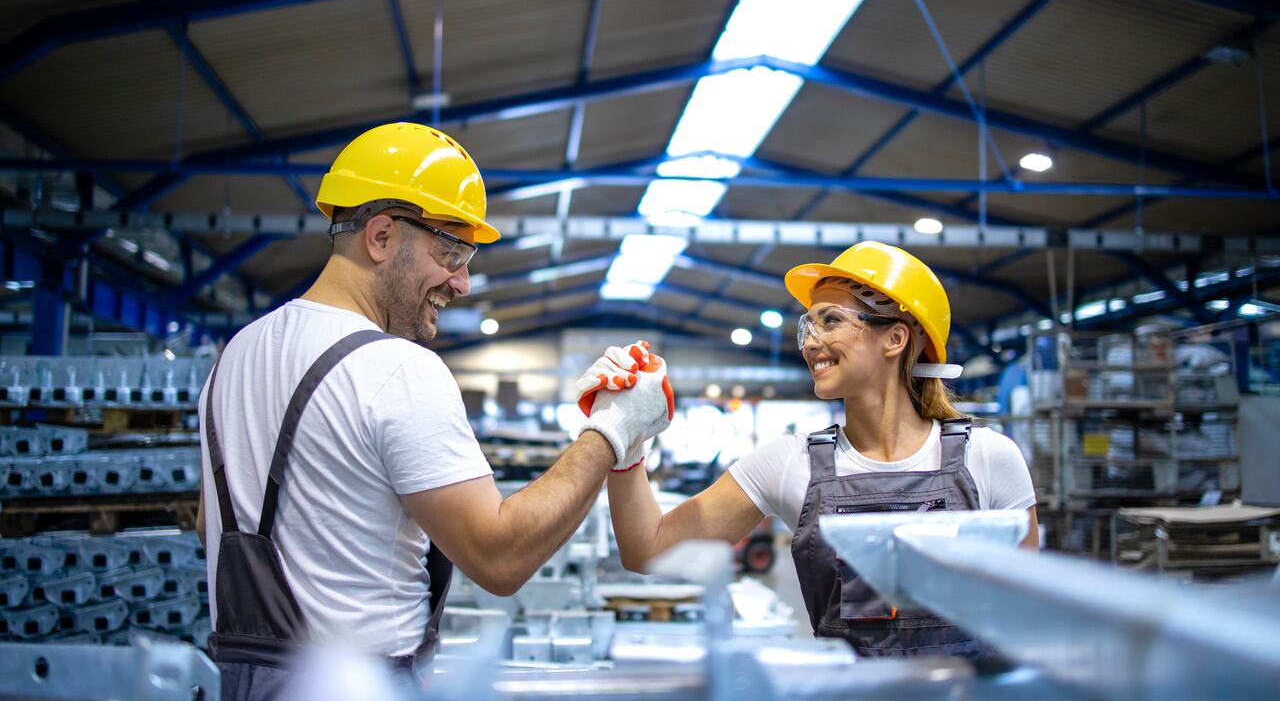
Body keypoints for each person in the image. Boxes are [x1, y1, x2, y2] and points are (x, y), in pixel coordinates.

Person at [196, 122, 673, 699]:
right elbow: (500, 558)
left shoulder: (235, 358)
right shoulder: (394, 369)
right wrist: (611, 431)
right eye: (451, 251)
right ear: (380, 237)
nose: (464, 282)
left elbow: (212, 527)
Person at [598, 241, 1038, 659]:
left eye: (830, 321)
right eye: (808, 326)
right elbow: (648, 549)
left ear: (895, 339)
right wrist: (625, 434)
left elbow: (1029, 615)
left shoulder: (989, 458)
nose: (809, 343)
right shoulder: (788, 464)